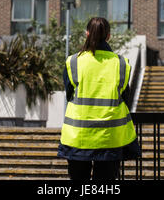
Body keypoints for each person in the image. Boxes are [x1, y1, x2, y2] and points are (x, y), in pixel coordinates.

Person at [57, 16, 141, 181]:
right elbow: (125, 97)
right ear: (109, 36)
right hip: (109, 138)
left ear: (87, 34)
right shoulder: (121, 64)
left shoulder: (73, 62)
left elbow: (69, 94)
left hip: (77, 137)